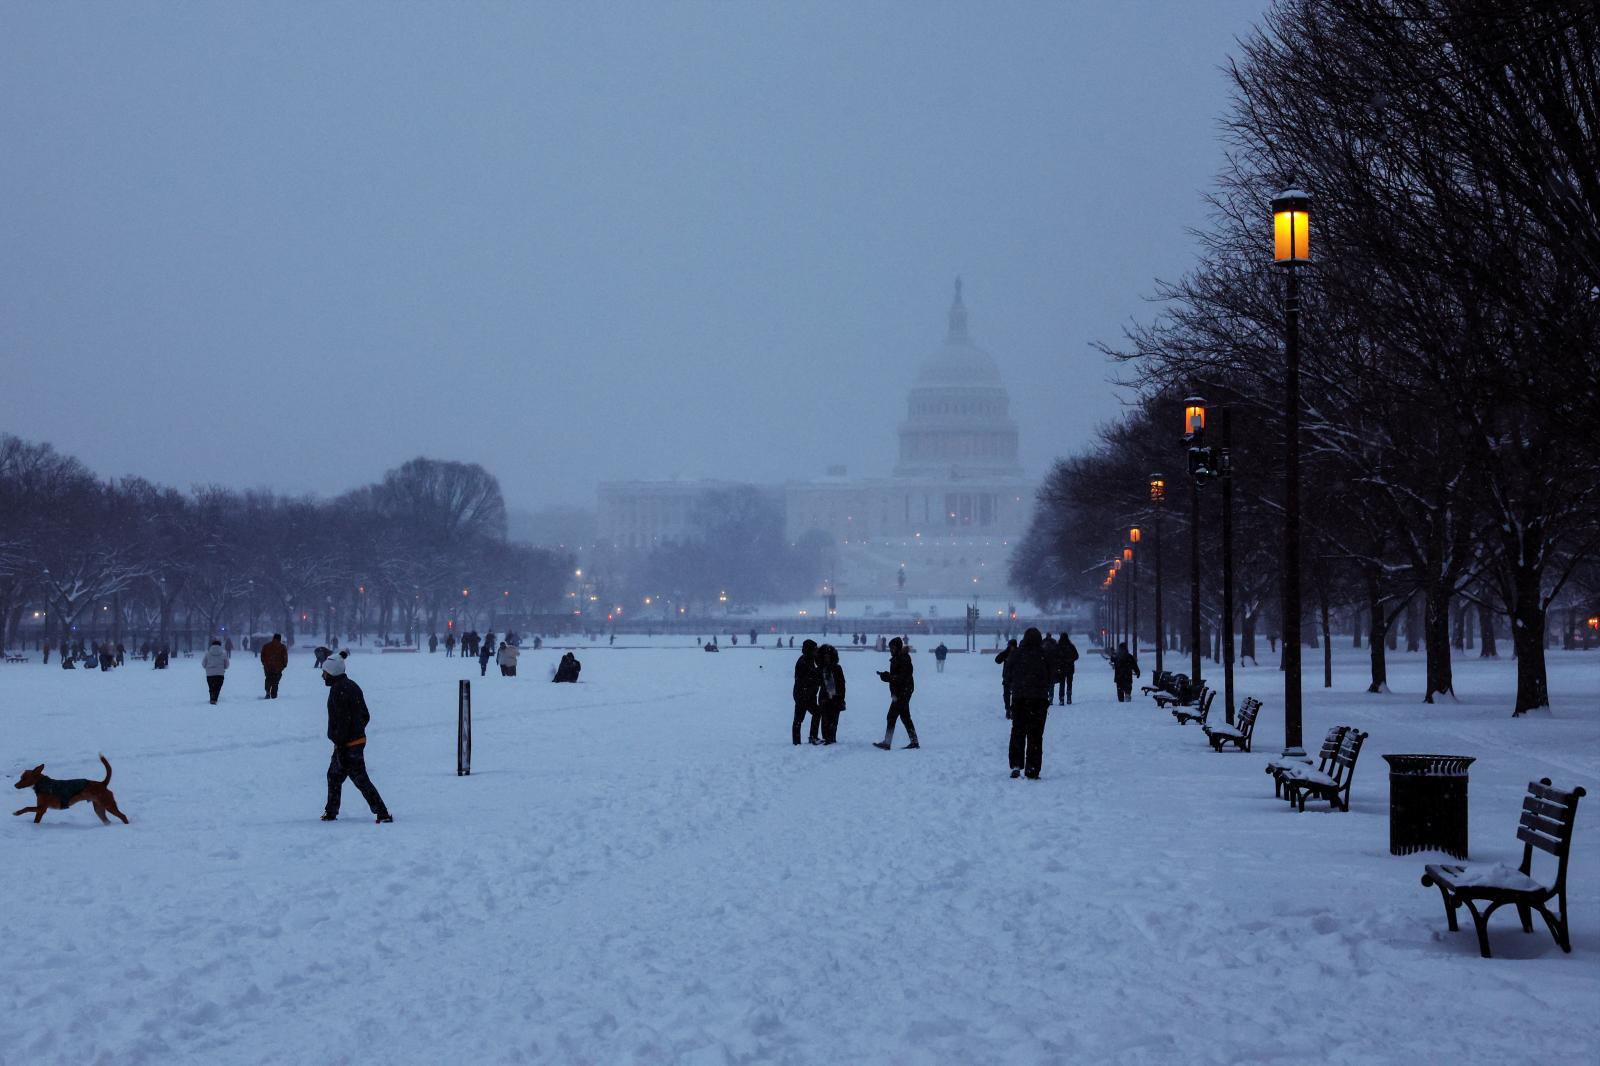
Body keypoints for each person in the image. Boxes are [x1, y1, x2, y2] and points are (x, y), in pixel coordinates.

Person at [319, 652, 391, 823]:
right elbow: (365, 715)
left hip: (347, 745)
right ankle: (331, 811)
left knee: (360, 779)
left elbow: (343, 721)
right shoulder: (352, 685)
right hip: (352, 741)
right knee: (334, 775)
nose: (323, 677)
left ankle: (382, 812)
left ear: (333, 673)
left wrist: (343, 741)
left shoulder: (339, 690)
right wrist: (357, 732)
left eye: (325, 673)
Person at [1007, 628, 1052, 779]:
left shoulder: (1016, 654)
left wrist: (1016, 685)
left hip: (1020, 699)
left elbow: (1007, 674)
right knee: (1035, 735)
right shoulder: (1043, 655)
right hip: (1038, 700)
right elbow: (1052, 676)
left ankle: (1016, 764)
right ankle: (1032, 768)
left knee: (1018, 732)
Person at [872, 637, 919, 750]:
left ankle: (887, 743)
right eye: (890, 647)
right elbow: (897, 676)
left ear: (898, 648)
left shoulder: (903, 658)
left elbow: (903, 677)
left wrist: (889, 677)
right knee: (905, 717)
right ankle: (914, 742)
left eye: (892, 647)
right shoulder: (897, 658)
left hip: (902, 692)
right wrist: (887, 676)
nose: (891, 650)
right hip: (900, 692)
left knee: (891, 716)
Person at [792, 639, 821, 746]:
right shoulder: (804, 662)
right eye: (814, 650)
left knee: (811, 715)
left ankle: (803, 739)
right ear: (810, 650)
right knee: (799, 719)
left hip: (806, 694)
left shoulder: (808, 660)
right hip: (803, 695)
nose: (816, 652)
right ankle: (799, 741)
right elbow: (805, 679)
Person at [817, 643, 845, 744]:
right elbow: (817, 682)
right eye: (825, 657)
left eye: (828, 657)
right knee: (825, 719)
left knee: (833, 719)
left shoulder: (837, 668)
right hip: (824, 697)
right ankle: (826, 737)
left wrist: (841, 697)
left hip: (835, 697)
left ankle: (831, 737)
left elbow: (842, 684)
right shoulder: (821, 669)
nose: (826, 659)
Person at [994, 638, 1018, 719]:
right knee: (1007, 695)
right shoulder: (1006, 653)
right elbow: (997, 660)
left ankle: (1012, 710)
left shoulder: (1018, 653)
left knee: (1014, 695)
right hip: (1008, 677)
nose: (1010, 647)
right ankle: (1008, 710)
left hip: (1015, 678)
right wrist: (1005, 652)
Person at [260, 632, 288, 699]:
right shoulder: (282, 647)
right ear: (279, 639)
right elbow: (285, 658)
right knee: (275, 682)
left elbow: (262, 656)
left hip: (268, 666)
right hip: (278, 667)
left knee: (268, 679)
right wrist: (284, 665)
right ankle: (274, 694)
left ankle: (267, 692)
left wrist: (264, 663)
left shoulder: (266, 646)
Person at [202, 638, 229, 704]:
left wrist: (208, 668)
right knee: (217, 687)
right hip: (220, 674)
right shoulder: (224, 654)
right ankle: (214, 699)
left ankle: (212, 699)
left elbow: (203, 664)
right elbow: (227, 665)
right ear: (220, 645)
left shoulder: (207, 653)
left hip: (210, 674)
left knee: (211, 687)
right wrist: (223, 668)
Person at [1057, 633, 1079, 705]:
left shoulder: (1058, 646)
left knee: (1062, 683)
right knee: (1069, 683)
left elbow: (1055, 657)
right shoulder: (1071, 646)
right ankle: (1069, 698)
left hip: (1061, 667)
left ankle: (1061, 699)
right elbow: (1076, 656)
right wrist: (1070, 660)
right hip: (1070, 667)